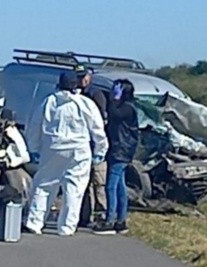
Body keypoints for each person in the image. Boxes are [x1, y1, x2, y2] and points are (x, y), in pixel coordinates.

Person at [23, 71, 108, 236]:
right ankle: (67, 227)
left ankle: (34, 222)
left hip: (53, 147)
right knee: (74, 188)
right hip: (79, 149)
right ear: (75, 85)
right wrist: (100, 150)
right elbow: (97, 129)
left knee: (44, 185)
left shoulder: (49, 102)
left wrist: (33, 148)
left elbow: (35, 125)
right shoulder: (85, 103)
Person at [93, 79, 139, 235]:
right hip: (118, 150)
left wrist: (114, 100)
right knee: (120, 186)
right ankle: (121, 220)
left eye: (116, 89)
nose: (113, 91)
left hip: (121, 151)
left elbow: (114, 113)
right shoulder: (126, 107)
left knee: (110, 186)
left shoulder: (127, 108)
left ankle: (110, 220)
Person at [74, 65, 108, 229]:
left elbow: (101, 121)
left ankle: (101, 215)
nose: (81, 80)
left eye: (84, 76)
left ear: (90, 76)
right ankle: (84, 215)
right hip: (81, 147)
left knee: (99, 183)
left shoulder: (95, 94)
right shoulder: (74, 95)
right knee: (83, 184)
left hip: (96, 146)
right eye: (78, 77)